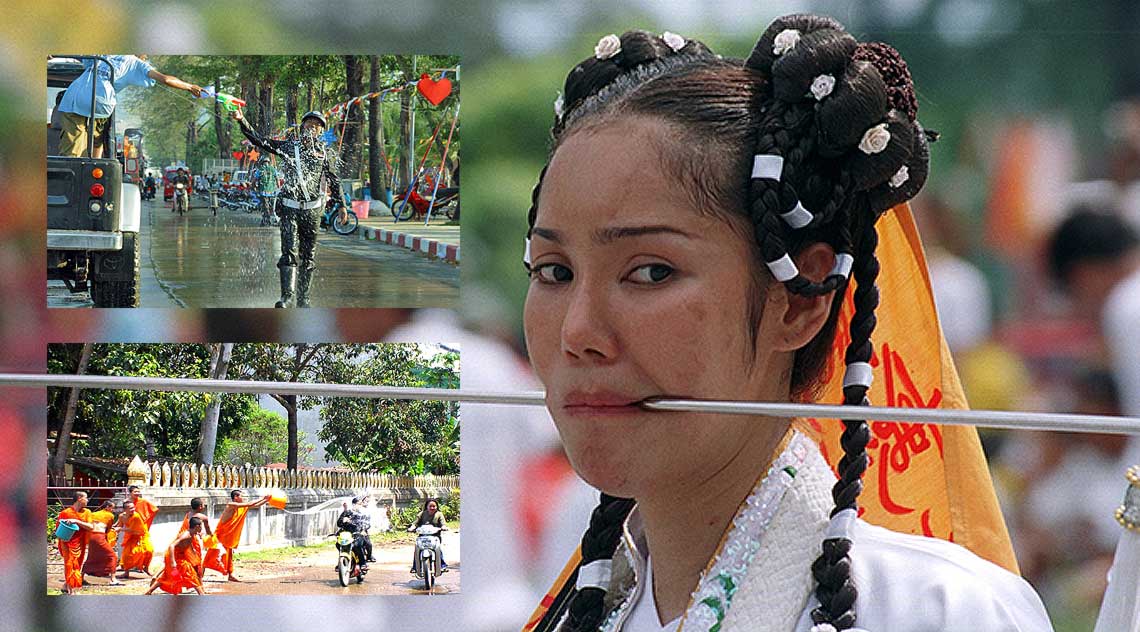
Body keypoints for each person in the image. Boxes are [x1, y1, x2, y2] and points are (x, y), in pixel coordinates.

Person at [522, 16, 1053, 631]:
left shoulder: (941, 612)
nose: (578, 333)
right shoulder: (578, 612)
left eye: (650, 272)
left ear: (801, 298)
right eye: (554, 272)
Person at [231, 107, 339, 307]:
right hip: (289, 207)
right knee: (288, 251)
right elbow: (258, 140)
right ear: (302, 126)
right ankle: (287, 297)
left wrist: (342, 206)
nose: (312, 128)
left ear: (322, 131)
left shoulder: (325, 153)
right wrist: (241, 119)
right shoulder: (288, 147)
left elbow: (333, 179)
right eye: (309, 123)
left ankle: (303, 299)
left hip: (313, 210)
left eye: (317, 125)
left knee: (308, 256)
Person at [56, 55, 201, 158]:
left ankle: (70, 165)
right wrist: (190, 87)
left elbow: (77, 55)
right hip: (101, 102)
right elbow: (166, 79)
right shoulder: (136, 63)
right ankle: (96, 162)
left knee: (72, 145)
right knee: (98, 137)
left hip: (75, 95)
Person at [213, 489, 270, 582]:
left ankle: (230, 574)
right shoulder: (231, 505)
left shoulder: (241, 507)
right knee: (211, 556)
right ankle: (200, 575)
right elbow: (250, 504)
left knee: (229, 555)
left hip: (228, 536)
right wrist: (262, 497)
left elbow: (256, 505)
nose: (243, 498)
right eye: (241, 496)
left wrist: (266, 500)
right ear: (236, 497)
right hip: (221, 536)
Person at [145, 516, 207, 595]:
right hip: (174, 557)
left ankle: (149, 591)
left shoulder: (192, 534)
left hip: (178, 556)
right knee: (191, 574)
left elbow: (187, 545)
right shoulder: (186, 535)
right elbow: (172, 546)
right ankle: (201, 594)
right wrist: (173, 562)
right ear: (197, 527)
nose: (202, 528)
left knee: (169, 576)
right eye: (201, 526)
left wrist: (193, 553)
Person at [56, 491, 94, 594]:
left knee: (78, 565)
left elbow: (91, 527)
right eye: (86, 498)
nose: (87, 500)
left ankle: (66, 586)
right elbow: (59, 530)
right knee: (69, 564)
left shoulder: (87, 512)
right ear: (79, 498)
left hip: (80, 543)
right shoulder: (66, 513)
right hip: (67, 542)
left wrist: (76, 521)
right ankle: (71, 590)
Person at [82, 500, 121, 582]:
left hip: (91, 537)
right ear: (107, 507)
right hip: (99, 536)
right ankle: (113, 579)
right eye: (112, 508)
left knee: (91, 557)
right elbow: (108, 529)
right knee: (112, 556)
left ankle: (81, 578)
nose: (112, 510)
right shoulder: (109, 515)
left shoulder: (93, 514)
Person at [117, 499, 154, 579]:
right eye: (130, 508)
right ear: (125, 510)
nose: (133, 510)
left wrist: (120, 529)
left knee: (148, 550)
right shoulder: (121, 516)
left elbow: (135, 530)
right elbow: (119, 524)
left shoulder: (136, 516)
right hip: (131, 536)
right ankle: (126, 572)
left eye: (133, 507)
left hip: (141, 534)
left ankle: (146, 568)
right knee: (127, 554)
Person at [408, 498, 448, 571]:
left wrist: (443, 527)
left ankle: (442, 565)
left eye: (434, 506)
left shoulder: (439, 514)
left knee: (437, 548)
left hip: (435, 536)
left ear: (436, 506)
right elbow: (415, 523)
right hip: (423, 536)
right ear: (427, 506)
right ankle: (415, 567)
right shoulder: (421, 514)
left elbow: (443, 524)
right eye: (430, 506)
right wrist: (412, 528)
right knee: (418, 549)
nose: (432, 508)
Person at [336, 496, 374, 566]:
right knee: (338, 544)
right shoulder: (347, 512)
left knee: (359, 545)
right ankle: (341, 563)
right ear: (353, 504)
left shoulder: (364, 513)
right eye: (357, 504)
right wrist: (344, 520)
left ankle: (363, 563)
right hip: (347, 534)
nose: (358, 505)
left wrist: (363, 530)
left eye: (360, 504)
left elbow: (367, 524)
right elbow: (339, 523)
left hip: (358, 533)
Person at [255, 156, 279, 227]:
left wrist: (253, 186)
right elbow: (277, 179)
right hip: (272, 192)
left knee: (265, 207)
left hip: (263, 191)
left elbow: (254, 180)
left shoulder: (260, 170)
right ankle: (268, 220)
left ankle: (266, 220)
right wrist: (278, 188)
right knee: (271, 207)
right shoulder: (273, 169)